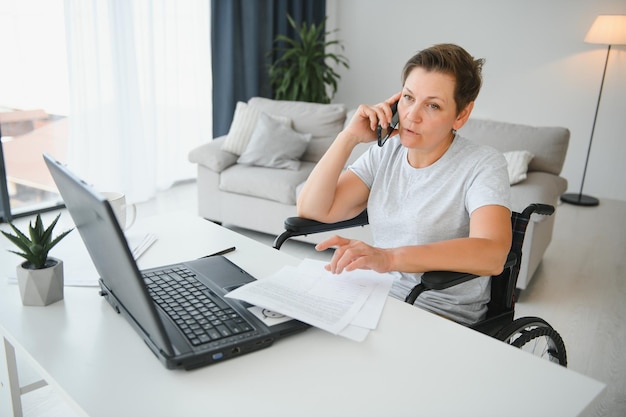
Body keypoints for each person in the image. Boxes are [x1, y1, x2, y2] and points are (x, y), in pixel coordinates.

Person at [296, 43, 512, 325]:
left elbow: (492, 254)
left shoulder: (482, 164)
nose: (412, 115)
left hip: (439, 312)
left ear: (461, 115)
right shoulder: (387, 151)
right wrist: (348, 137)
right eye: (408, 97)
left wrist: (388, 258)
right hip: (378, 296)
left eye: (433, 105)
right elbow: (313, 209)